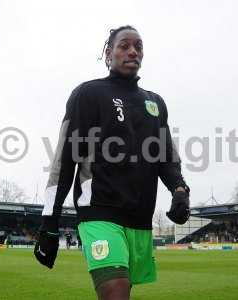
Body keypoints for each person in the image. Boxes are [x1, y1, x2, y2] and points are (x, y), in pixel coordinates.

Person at [34, 25, 190, 300]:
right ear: (108, 53)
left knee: (123, 291)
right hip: (99, 212)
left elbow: (166, 155)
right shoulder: (88, 94)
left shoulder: (155, 103)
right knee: (115, 292)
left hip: (140, 218)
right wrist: (49, 221)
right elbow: (65, 158)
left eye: (138, 46)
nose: (133, 51)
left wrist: (179, 189)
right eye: (124, 45)